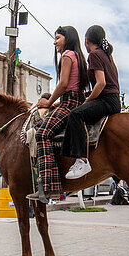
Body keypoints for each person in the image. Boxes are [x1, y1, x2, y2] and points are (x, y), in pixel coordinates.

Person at [29, 26, 88, 202]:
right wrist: (56, 103)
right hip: (75, 101)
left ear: (67, 38)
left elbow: (63, 84)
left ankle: (48, 185)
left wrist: (48, 102)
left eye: (58, 38)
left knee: (41, 134)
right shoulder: (78, 56)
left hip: (69, 103)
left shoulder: (67, 55)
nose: (55, 42)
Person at [62, 25, 122, 180]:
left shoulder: (94, 54)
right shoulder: (107, 55)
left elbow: (101, 83)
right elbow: (107, 84)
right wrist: (88, 94)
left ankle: (81, 160)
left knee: (75, 114)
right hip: (114, 99)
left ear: (86, 40)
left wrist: (87, 101)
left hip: (107, 100)